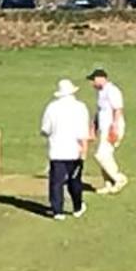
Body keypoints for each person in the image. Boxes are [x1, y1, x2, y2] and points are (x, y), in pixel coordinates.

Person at [40, 78, 91, 220]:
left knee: (56, 181)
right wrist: (84, 150)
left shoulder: (52, 107)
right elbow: (83, 131)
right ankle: (77, 207)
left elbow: (45, 128)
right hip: (74, 150)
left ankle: (57, 211)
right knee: (75, 180)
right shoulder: (80, 107)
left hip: (57, 150)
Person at [88, 68, 127, 195]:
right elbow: (100, 112)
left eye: (93, 80)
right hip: (104, 128)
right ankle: (108, 184)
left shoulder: (112, 90)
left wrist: (114, 127)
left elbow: (118, 109)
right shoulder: (101, 93)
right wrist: (93, 128)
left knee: (101, 155)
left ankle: (118, 178)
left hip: (112, 127)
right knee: (105, 155)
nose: (92, 83)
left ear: (101, 78)